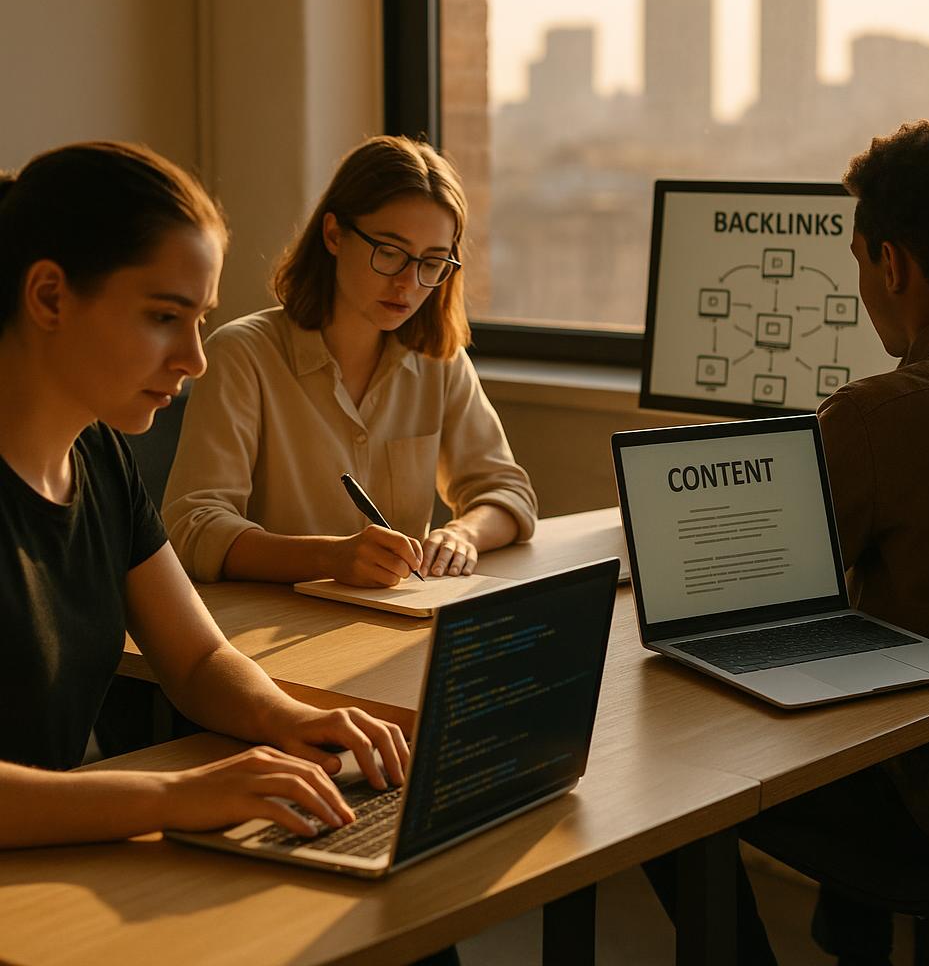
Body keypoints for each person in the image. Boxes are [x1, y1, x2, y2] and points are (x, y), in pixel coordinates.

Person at [0, 141, 409, 849]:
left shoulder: (98, 456)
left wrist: (289, 718)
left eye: (200, 320)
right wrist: (173, 795)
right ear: (49, 296)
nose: (194, 358)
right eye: (164, 316)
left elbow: (194, 661)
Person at [745, 117, 929, 963]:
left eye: (859, 263)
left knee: (674, 785)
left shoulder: (878, 416)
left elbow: (763, 595)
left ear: (890, 263)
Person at [161, 135, 537, 587]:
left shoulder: (438, 360)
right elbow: (192, 526)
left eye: (432, 262)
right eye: (390, 253)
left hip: (396, 621)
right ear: (334, 234)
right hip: (272, 627)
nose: (408, 283)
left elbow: (508, 493)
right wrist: (328, 558)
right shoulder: (243, 354)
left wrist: (462, 534)